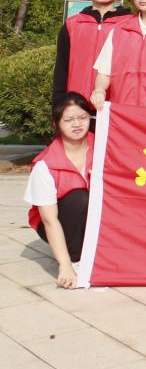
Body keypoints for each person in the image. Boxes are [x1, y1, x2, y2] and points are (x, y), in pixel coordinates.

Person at [24, 94, 94, 288]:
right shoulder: (45, 165)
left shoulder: (105, 146)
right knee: (79, 198)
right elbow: (49, 220)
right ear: (56, 124)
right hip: (60, 220)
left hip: (95, 217)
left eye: (82, 117)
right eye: (69, 120)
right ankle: (75, 256)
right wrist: (65, 265)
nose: (77, 124)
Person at [52, 0, 129, 107]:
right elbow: (61, 68)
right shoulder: (72, 24)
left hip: (115, 105)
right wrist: (58, 103)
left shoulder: (130, 24)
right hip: (77, 105)